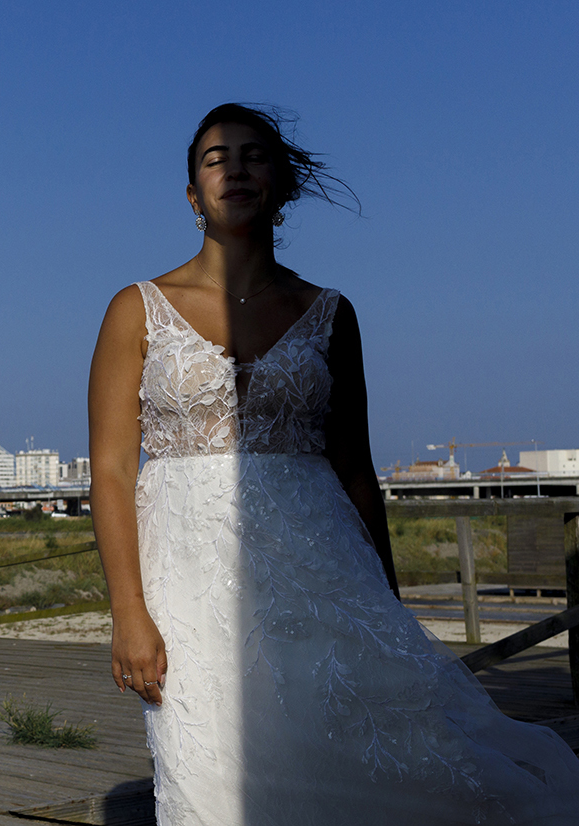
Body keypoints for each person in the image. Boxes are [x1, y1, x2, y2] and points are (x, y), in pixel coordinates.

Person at [88, 103, 579, 825]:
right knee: (207, 773)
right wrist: (128, 610)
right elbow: (111, 471)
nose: (237, 169)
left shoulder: (330, 312)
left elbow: (355, 469)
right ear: (193, 196)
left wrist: (387, 602)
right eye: (216, 159)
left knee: (366, 757)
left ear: (281, 185)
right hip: (186, 583)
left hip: (325, 576)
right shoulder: (137, 308)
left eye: (255, 155)